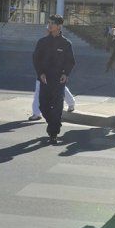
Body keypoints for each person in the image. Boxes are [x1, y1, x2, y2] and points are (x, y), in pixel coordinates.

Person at [32, 14, 75, 145]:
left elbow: (70, 61)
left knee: (57, 107)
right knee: (43, 106)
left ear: (59, 26)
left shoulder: (66, 43)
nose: (50, 25)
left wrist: (65, 74)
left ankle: (53, 133)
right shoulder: (42, 42)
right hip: (44, 79)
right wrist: (40, 73)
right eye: (49, 23)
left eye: (53, 23)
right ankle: (53, 123)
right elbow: (36, 59)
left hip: (59, 80)